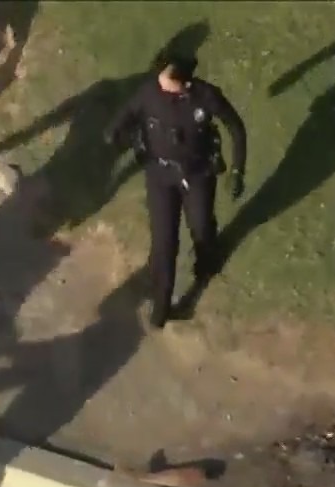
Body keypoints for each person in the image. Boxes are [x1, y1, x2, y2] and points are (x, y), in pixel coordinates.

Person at [105, 51, 246, 328]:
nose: (161, 82)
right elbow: (128, 113)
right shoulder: (149, 93)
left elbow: (236, 128)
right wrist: (114, 131)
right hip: (160, 175)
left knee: (202, 228)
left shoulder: (205, 96)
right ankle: (161, 305)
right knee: (164, 243)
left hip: (198, 174)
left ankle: (206, 265)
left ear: (183, 82)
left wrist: (238, 170)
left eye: (167, 79)